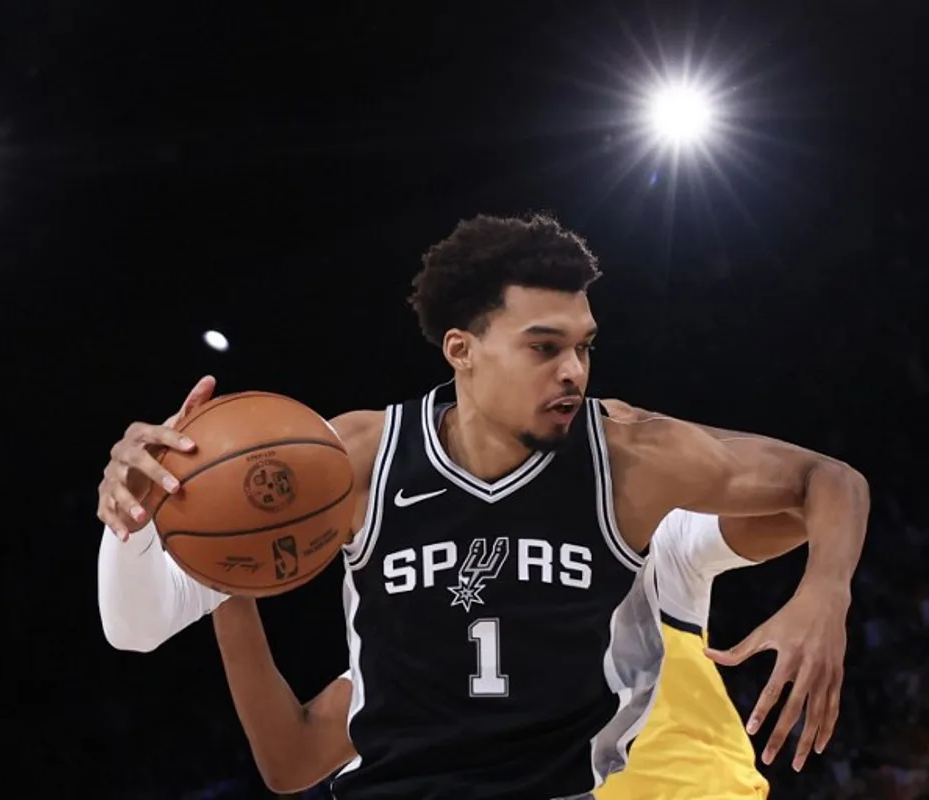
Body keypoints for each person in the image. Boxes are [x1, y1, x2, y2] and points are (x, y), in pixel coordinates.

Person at [97, 214, 869, 798]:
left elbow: (827, 478)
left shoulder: (629, 458)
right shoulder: (357, 457)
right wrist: (132, 516)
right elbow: (137, 630)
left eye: (584, 345)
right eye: (543, 347)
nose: (574, 370)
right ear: (461, 349)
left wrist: (826, 589)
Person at [208, 504, 803, 798]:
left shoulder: (655, 535)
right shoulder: (428, 659)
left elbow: (793, 503)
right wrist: (224, 581)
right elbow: (292, 756)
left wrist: (826, 577)